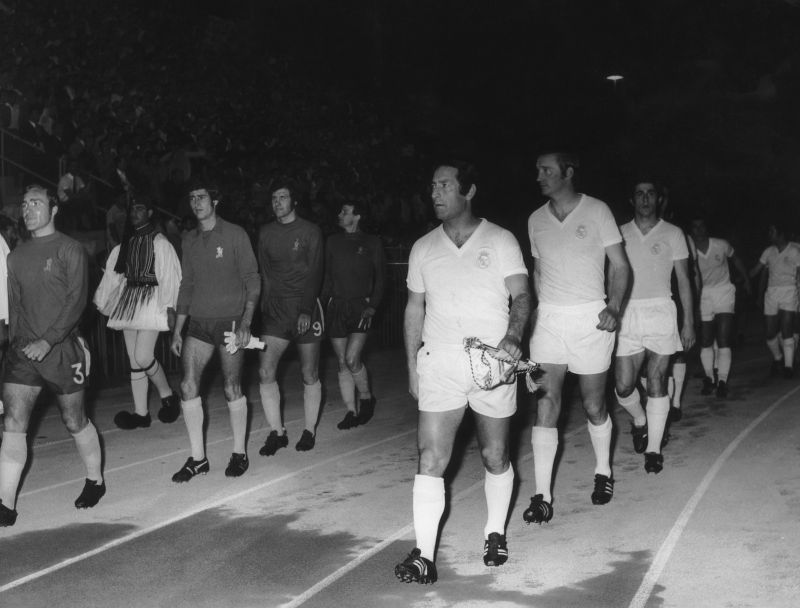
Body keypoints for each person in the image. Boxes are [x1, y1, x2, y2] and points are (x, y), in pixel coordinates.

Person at [394, 161, 530, 584]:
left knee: (495, 455)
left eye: (445, 185)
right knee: (430, 458)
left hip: (491, 363)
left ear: (468, 190)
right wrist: (413, 365)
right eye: (432, 185)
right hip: (440, 362)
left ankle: (494, 532)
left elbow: (522, 295)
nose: (436, 193)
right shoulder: (423, 247)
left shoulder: (500, 239)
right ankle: (424, 555)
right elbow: (414, 308)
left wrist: (513, 336)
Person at [523, 151, 630, 524]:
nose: (540, 176)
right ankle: (541, 496)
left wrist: (614, 308)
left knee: (593, 405)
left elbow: (620, 266)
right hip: (550, 320)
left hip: (591, 318)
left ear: (569, 172)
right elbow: (537, 271)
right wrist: (537, 312)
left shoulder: (598, 210)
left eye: (547, 170)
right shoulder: (535, 219)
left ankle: (603, 473)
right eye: (538, 170)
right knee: (546, 401)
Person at [0, 185, 105, 526]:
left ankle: (95, 480)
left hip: (62, 349)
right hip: (23, 354)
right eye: (25, 204)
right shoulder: (14, 256)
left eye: (37, 203)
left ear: (54, 209)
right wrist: (15, 345)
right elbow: (15, 308)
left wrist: (47, 341)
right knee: (13, 423)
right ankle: (6, 503)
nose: (28, 209)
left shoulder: (70, 249)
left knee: (75, 420)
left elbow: (77, 302)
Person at [169, 180, 260, 482]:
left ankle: (239, 453)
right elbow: (187, 285)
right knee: (187, 386)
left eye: (202, 197)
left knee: (232, 387)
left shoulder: (235, 234)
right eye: (192, 198)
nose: (196, 203)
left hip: (231, 323)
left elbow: (252, 279)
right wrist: (178, 330)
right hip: (199, 325)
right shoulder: (189, 239)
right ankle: (198, 460)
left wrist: (246, 322)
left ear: (215, 201)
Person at [614, 179, 695, 474]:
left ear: (658, 199)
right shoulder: (619, 233)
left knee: (658, 379)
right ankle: (639, 420)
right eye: (639, 193)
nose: (645, 198)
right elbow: (610, 276)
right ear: (632, 199)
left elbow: (684, 280)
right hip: (628, 313)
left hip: (661, 310)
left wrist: (688, 321)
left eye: (650, 194)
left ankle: (653, 450)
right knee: (623, 386)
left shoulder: (673, 233)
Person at [93, 194, 182, 430]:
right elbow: (115, 274)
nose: (135, 213)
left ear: (150, 213)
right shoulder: (126, 244)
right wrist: (104, 300)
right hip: (130, 300)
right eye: (133, 209)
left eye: (141, 209)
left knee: (143, 356)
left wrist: (170, 307)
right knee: (134, 361)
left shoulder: (160, 242)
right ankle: (141, 413)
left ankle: (168, 396)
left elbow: (170, 277)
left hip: (151, 301)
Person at [256, 181, 324, 455]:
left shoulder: (310, 231)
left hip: (305, 307)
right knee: (265, 371)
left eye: (283, 197)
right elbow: (265, 272)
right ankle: (277, 432)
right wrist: (264, 307)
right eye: (274, 197)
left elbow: (316, 271)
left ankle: (309, 430)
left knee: (309, 372)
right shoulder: (265, 232)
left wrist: (306, 308)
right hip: (276, 310)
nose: (277, 202)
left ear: (294, 201)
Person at [322, 202, 386, 429]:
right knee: (341, 363)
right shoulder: (332, 241)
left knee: (352, 359)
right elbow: (327, 277)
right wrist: (320, 306)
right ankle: (351, 410)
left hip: (361, 307)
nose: (340, 215)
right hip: (336, 307)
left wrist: (373, 305)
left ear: (357, 216)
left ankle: (367, 398)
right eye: (340, 211)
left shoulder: (371, 242)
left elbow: (380, 278)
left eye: (345, 212)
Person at [688, 217, 751, 398]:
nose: (699, 230)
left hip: (724, 291)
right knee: (706, 340)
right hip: (703, 295)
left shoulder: (721, 245)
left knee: (723, 338)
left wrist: (746, 279)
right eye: (695, 227)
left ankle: (722, 381)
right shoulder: (689, 249)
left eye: (702, 226)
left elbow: (736, 260)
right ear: (691, 230)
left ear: (706, 228)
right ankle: (709, 378)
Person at [749, 223, 800, 378]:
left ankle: (788, 367)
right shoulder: (768, 251)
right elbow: (756, 271)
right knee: (770, 333)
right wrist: (742, 278)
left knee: (787, 329)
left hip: (790, 291)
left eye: (772, 231)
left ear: (781, 233)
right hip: (772, 293)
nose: (769, 234)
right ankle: (778, 359)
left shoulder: (794, 250)